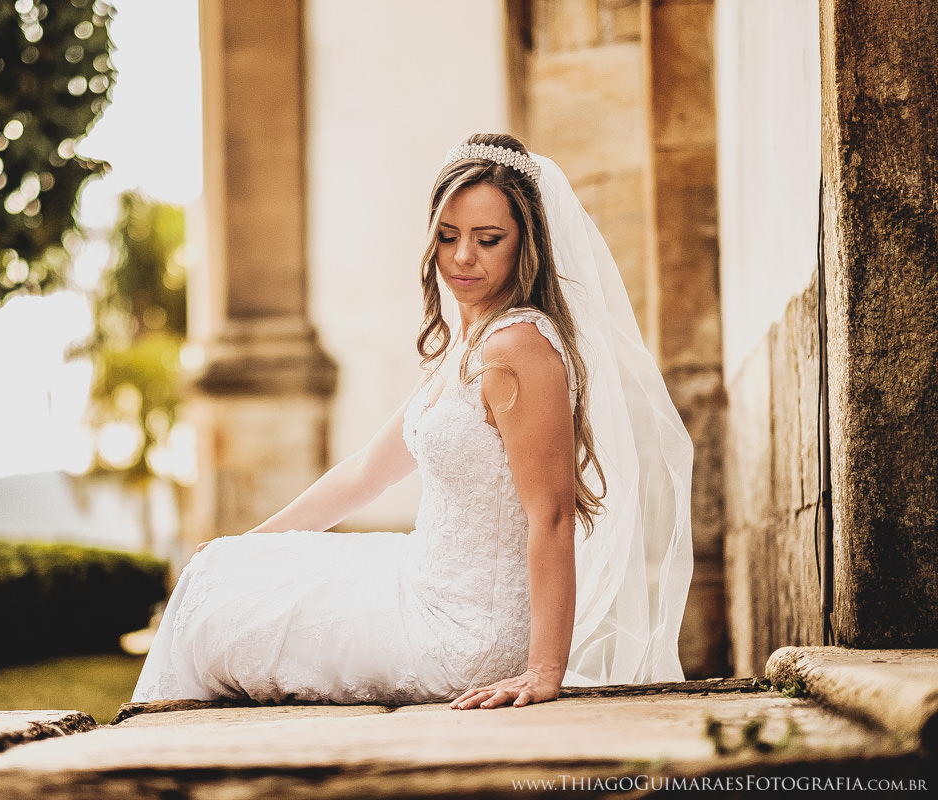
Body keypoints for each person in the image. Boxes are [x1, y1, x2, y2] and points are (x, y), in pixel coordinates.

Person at [132, 133, 693, 709]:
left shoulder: (519, 348)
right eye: (448, 237)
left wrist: (545, 670)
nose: (462, 257)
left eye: (488, 239)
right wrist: (247, 545)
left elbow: (550, 513)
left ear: (527, 245)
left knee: (220, 611)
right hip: (413, 582)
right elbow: (366, 474)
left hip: (461, 634)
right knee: (222, 572)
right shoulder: (468, 347)